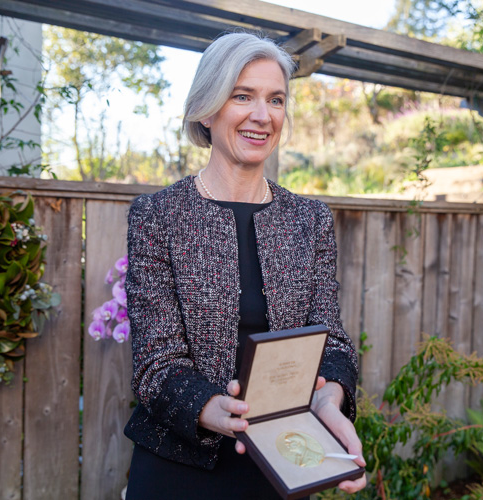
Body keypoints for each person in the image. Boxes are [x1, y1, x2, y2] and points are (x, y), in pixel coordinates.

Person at [123, 32, 366, 499]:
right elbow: (156, 362)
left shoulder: (310, 219)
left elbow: (330, 341)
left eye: (276, 99)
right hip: (179, 468)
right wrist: (215, 409)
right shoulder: (158, 215)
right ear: (208, 109)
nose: (262, 115)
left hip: (285, 462)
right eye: (243, 96)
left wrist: (329, 402)